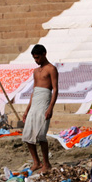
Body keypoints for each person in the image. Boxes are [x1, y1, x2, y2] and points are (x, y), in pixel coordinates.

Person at [21, 44, 59, 173]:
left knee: (41, 135)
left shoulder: (51, 69)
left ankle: (46, 164)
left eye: (37, 57)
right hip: (35, 101)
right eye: (34, 58)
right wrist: (26, 110)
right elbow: (34, 91)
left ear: (44, 54)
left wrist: (50, 108)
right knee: (27, 134)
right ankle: (36, 162)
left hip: (45, 102)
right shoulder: (36, 71)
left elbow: (55, 89)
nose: (36, 61)